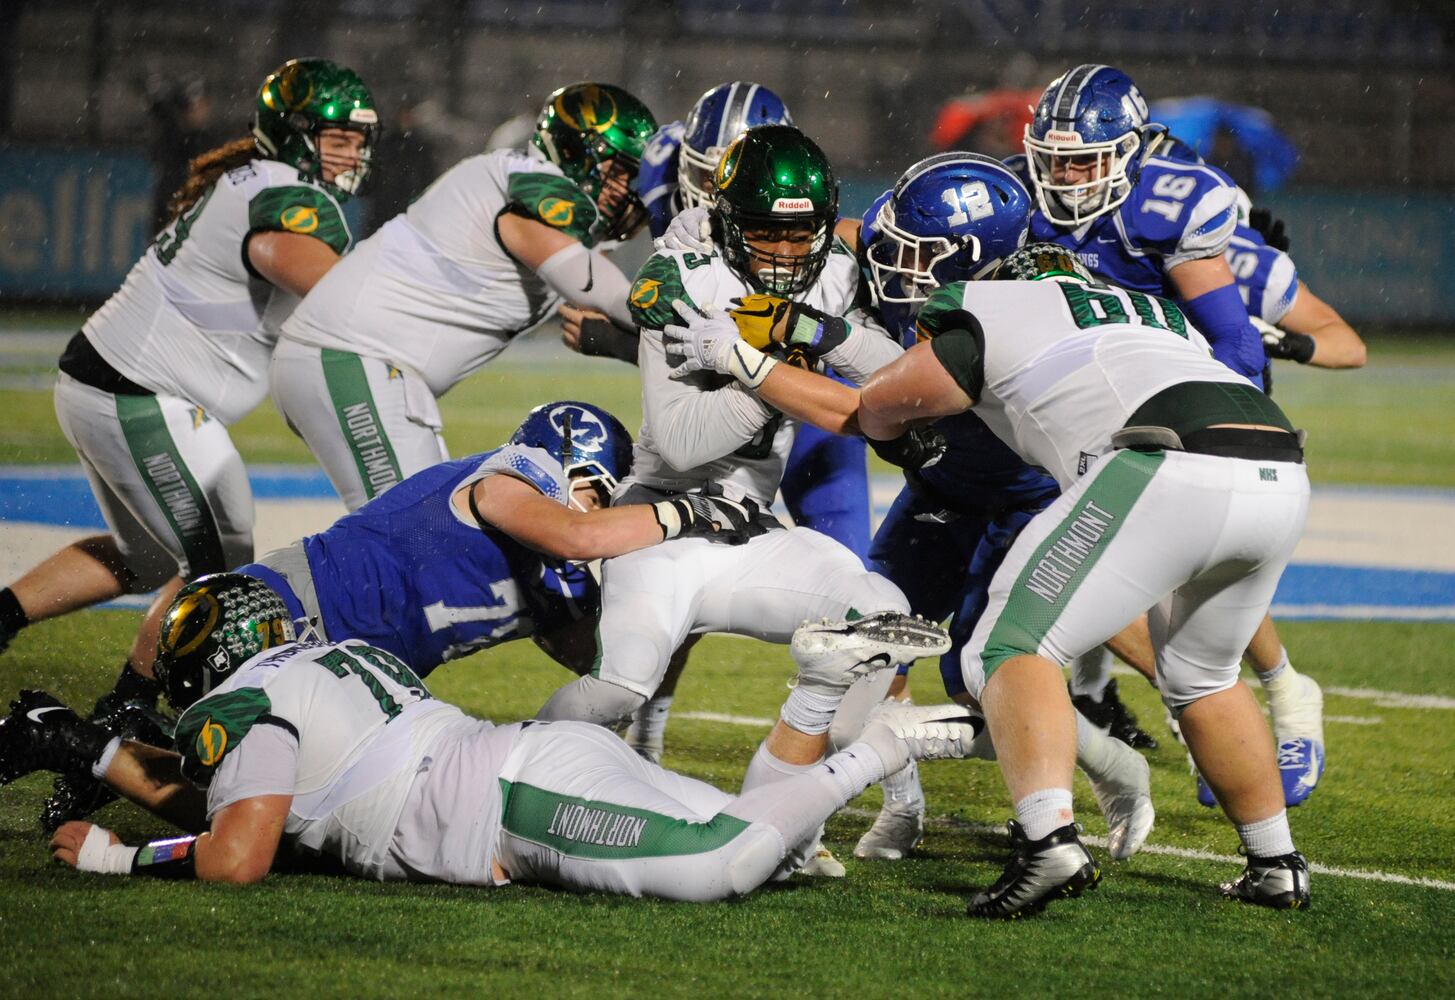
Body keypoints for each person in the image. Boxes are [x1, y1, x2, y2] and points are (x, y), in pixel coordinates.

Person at [665, 239, 1315, 916]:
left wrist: (742, 360)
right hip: (1277, 468)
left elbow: (864, 411)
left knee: (1006, 648)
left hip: (1165, 462)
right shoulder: (1150, 312)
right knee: (1203, 677)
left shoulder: (991, 302)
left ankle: (1049, 841)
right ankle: (1275, 861)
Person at [1, 574, 985, 897]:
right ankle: (816, 690)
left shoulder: (251, 700)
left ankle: (882, 742)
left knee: (720, 863)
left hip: (512, 797)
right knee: (764, 845)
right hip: (520, 764)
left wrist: (118, 859)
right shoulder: (320, 665)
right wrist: (91, 754)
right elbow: (240, 808)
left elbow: (239, 851)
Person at [33, 401, 764, 833]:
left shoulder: (557, 568)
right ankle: (117, 722)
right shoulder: (504, 483)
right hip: (281, 619)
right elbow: (577, 535)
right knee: (252, 819)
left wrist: (676, 602)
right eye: (596, 493)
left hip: (351, 683)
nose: (602, 513)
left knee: (283, 820)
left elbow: (600, 662)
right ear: (563, 470)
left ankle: (98, 748)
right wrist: (684, 513)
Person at [535, 124, 944, 877]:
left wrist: (794, 340)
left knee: (875, 614)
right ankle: (514, 765)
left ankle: (786, 822)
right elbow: (685, 442)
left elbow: (895, 373)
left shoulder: (830, 273)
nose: (785, 252)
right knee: (620, 685)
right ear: (726, 221)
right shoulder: (682, 276)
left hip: (751, 527)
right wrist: (770, 378)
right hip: (664, 521)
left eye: (800, 233)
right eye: (764, 231)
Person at [0, 58, 376, 749]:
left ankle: (3, 621)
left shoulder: (258, 179)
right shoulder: (289, 193)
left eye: (359, 139)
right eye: (337, 137)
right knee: (211, 577)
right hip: (143, 395)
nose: (352, 152)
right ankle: (126, 709)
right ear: (294, 134)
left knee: (147, 561)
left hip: (111, 383)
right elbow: (315, 281)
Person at [1016, 67, 1331, 807]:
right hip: (1076, 405)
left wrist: (1243, 400)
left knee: (1164, 586)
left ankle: (1254, 702)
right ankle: (1153, 707)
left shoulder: (1177, 209)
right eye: (1054, 158)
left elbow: (1247, 340)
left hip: (1171, 407)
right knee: (1108, 583)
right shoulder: (1019, 199)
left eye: (1085, 159)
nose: (1066, 176)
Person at [848, 153, 1156, 861]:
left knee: (981, 677)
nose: (891, 264)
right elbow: (854, 235)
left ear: (968, 260)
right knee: (871, 651)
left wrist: (793, 347)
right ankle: (901, 805)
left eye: (912, 253)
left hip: (1027, 504)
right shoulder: (932, 282)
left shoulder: (1019, 308)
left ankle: (1114, 766)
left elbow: (870, 407)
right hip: (940, 493)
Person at [582, 81, 876, 769]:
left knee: (858, 595)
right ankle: (641, 733)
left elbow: (857, 294)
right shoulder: (671, 220)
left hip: (799, 402)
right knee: (668, 578)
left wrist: (785, 360)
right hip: (716, 406)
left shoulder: (828, 261)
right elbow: (670, 330)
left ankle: (883, 785)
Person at [272, 82, 657, 511]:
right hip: (353, 359)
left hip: (360, 364)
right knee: (416, 536)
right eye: (618, 171)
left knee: (426, 538)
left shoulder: (525, 190)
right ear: (577, 154)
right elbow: (609, 295)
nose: (627, 189)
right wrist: (683, 320)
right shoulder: (535, 186)